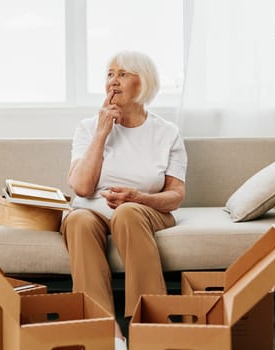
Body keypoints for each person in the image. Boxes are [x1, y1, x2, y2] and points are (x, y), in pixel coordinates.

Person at [60, 50, 187, 349]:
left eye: (123, 74)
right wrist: (102, 133)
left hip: (144, 211)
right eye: (109, 74)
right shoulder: (88, 127)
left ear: (143, 84)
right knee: (77, 219)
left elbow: (176, 195)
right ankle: (105, 331)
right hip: (91, 211)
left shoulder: (166, 132)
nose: (113, 82)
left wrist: (139, 198)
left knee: (128, 212)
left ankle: (150, 327)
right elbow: (81, 187)